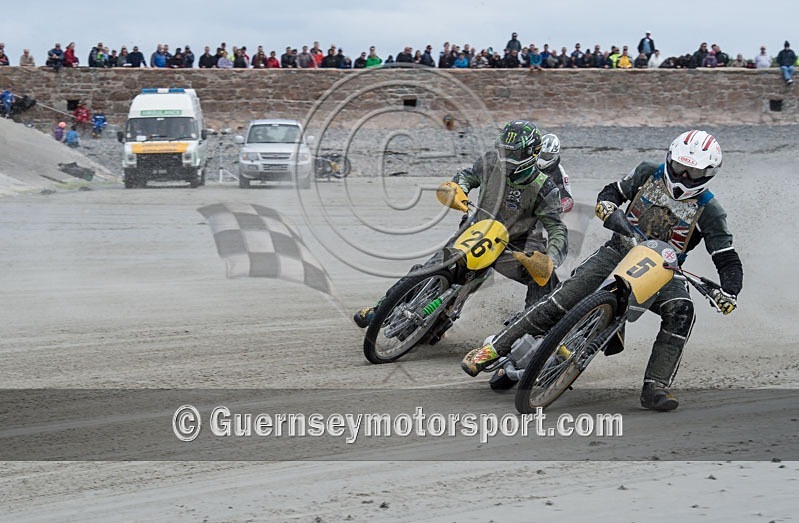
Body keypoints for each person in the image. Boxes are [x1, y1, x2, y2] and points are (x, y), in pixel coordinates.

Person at [462, 130, 743, 412]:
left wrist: (729, 291)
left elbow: (726, 256)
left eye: (693, 173)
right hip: (618, 250)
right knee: (562, 299)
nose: (683, 177)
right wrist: (607, 205)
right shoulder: (647, 173)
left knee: (682, 310)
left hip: (664, 271)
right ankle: (492, 349)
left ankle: (656, 386)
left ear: (708, 174)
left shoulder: (710, 210)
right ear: (670, 159)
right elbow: (613, 191)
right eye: (680, 167)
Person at [353, 120, 568, 328]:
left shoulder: (546, 188)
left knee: (545, 278)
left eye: (513, 153)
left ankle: (529, 331)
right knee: (433, 265)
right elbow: (467, 176)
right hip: (478, 227)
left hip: (516, 246)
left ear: (531, 153)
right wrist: (458, 188)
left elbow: (557, 228)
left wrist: (552, 259)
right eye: (504, 151)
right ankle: (381, 308)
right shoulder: (490, 161)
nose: (507, 157)